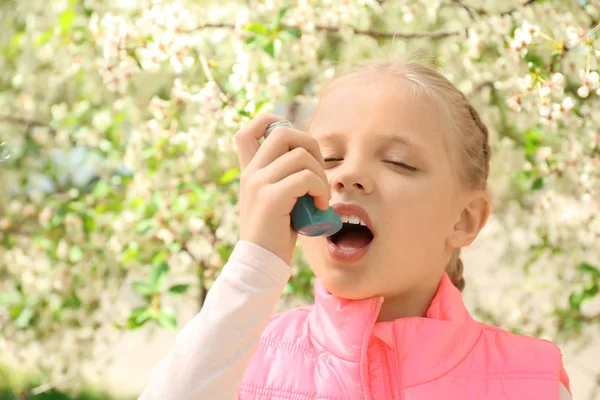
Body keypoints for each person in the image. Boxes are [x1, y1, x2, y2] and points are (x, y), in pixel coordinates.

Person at [138, 60, 572, 399]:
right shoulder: (240, 357)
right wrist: (256, 260)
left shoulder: (533, 380)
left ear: (464, 219)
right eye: (327, 159)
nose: (348, 175)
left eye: (399, 162)